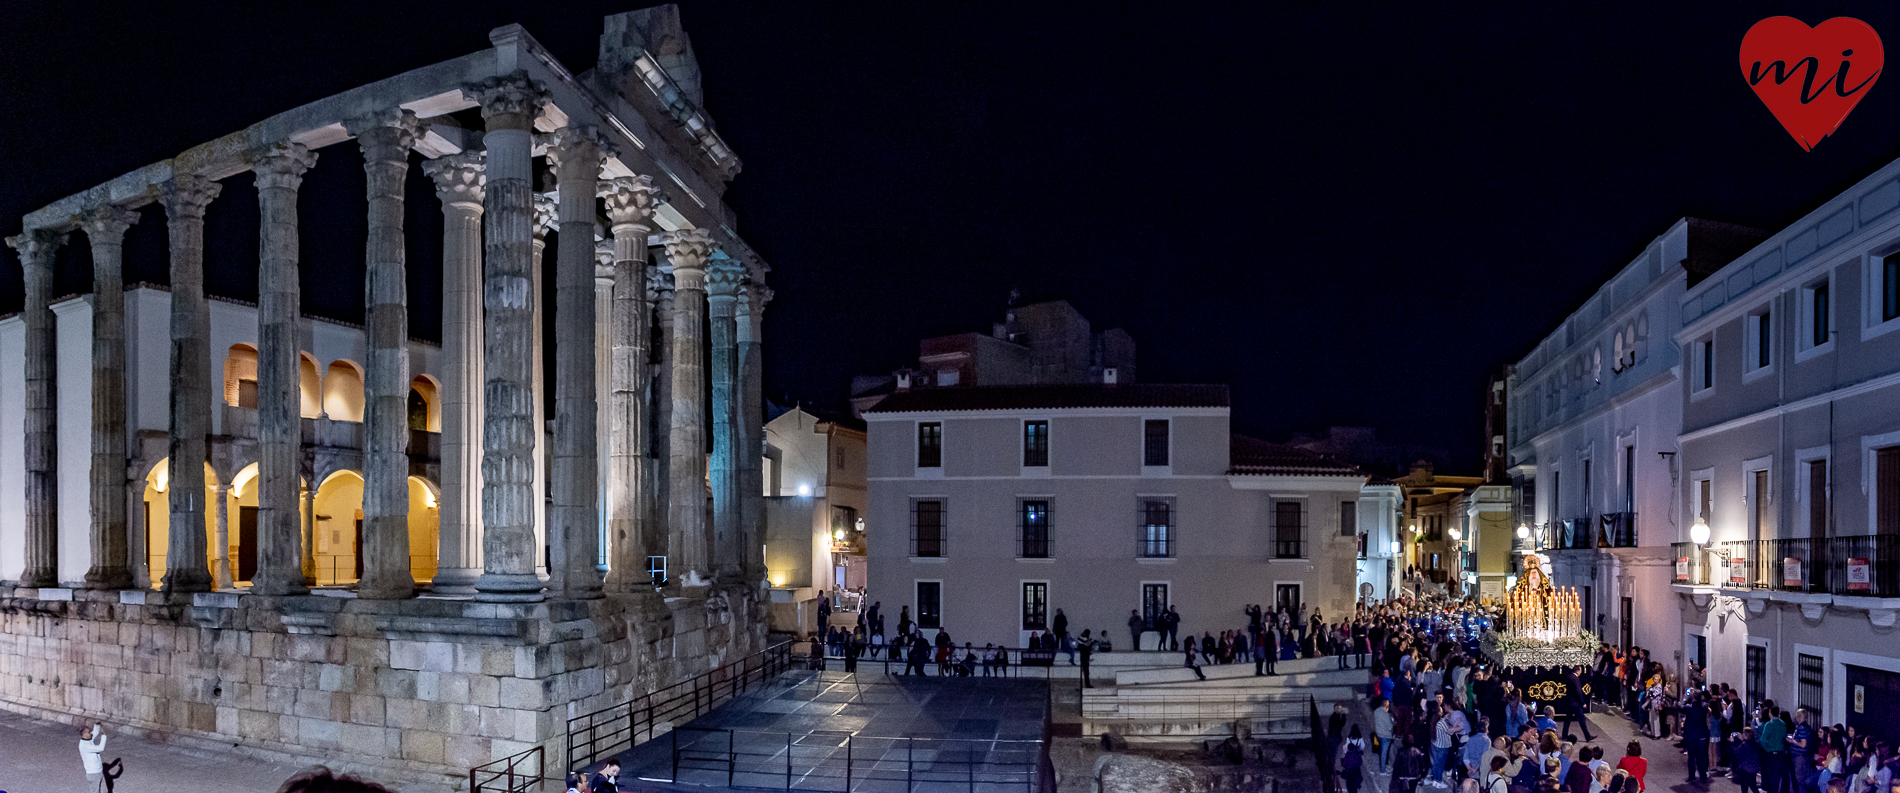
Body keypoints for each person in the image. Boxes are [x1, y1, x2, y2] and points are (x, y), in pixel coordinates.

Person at [1681, 693, 1711, 783]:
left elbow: (1679, 707)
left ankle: (1692, 776)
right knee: (1701, 756)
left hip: (1691, 735)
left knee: (1691, 757)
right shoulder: (1703, 708)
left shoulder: (1689, 708)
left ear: (1693, 697)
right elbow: (1706, 704)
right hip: (1702, 735)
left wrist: (1686, 697)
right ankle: (1703, 774)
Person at [80, 722, 107, 793]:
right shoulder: (85, 746)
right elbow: (100, 748)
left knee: (104, 791)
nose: (91, 733)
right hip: (93, 774)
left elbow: (95, 732)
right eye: (89, 732)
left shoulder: (88, 740)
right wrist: (103, 735)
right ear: (84, 734)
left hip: (99, 771)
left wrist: (97, 724)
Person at [1374, 697, 1397, 775]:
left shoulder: (1376, 711)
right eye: (1388, 702)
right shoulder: (1386, 714)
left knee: (1382, 752)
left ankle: (1385, 766)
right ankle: (1383, 770)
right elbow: (1390, 727)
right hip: (1386, 736)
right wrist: (1393, 722)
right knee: (1384, 753)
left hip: (1379, 734)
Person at [1341, 725, 1367, 793]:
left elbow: (1345, 762)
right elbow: (1363, 746)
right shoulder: (1359, 739)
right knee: (1356, 780)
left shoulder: (1349, 739)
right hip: (1356, 768)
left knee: (1350, 782)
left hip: (1350, 769)